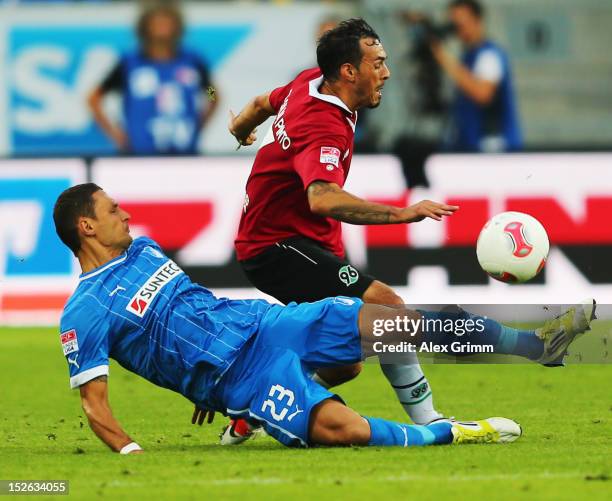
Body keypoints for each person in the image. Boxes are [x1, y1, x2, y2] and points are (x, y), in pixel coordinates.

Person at [53, 184, 596, 452]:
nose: (124, 213)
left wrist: (187, 366)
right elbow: (94, 404)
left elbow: (180, 312)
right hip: (237, 378)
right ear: (87, 228)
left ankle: (538, 346)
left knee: (391, 321)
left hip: (263, 325)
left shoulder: (145, 250)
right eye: (111, 210)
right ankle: (450, 434)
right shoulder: (84, 312)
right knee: (343, 431)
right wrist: (132, 453)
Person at [228, 18, 457, 438]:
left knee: (347, 360)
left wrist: (238, 128)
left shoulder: (309, 80)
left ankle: (257, 411)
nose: (386, 73)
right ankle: (431, 421)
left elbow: (263, 102)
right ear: (349, 71)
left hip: (299, 240)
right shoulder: (324, 125)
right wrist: (400, 214)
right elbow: (323, 197)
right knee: (388, 308)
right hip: (275, 245)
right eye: (378, 63)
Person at [88, 3, 218, 155]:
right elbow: (94, 98)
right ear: (145, 26)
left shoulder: (192, 61)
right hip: (139, 155)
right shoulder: (129, 63)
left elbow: (211, 93)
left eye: (167, 21)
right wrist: (116, 135)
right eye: (157, 22)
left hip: (185, 155)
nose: (162, 27)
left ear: (177, 25)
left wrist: (200, 122)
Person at [430, 0, 522, 152]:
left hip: (493, 146)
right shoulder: (468, 57)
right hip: (471, 144)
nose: (457, 29)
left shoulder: (489, 55)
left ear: (477, 20)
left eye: (461, 23)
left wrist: (442, 57)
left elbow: (482, 93)